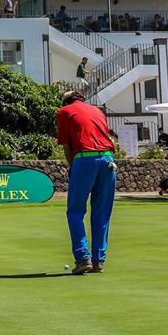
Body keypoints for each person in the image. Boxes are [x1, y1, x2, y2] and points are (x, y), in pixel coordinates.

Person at [56, 90, 116, 275]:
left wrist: (72, 167)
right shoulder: (98, 111)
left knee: (75, 211)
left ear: (66, 101)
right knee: (102, 212)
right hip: (108, 160)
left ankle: (83, 258)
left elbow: (67, 146)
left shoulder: (64, 112)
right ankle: (98, 261)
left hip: (84, 159)